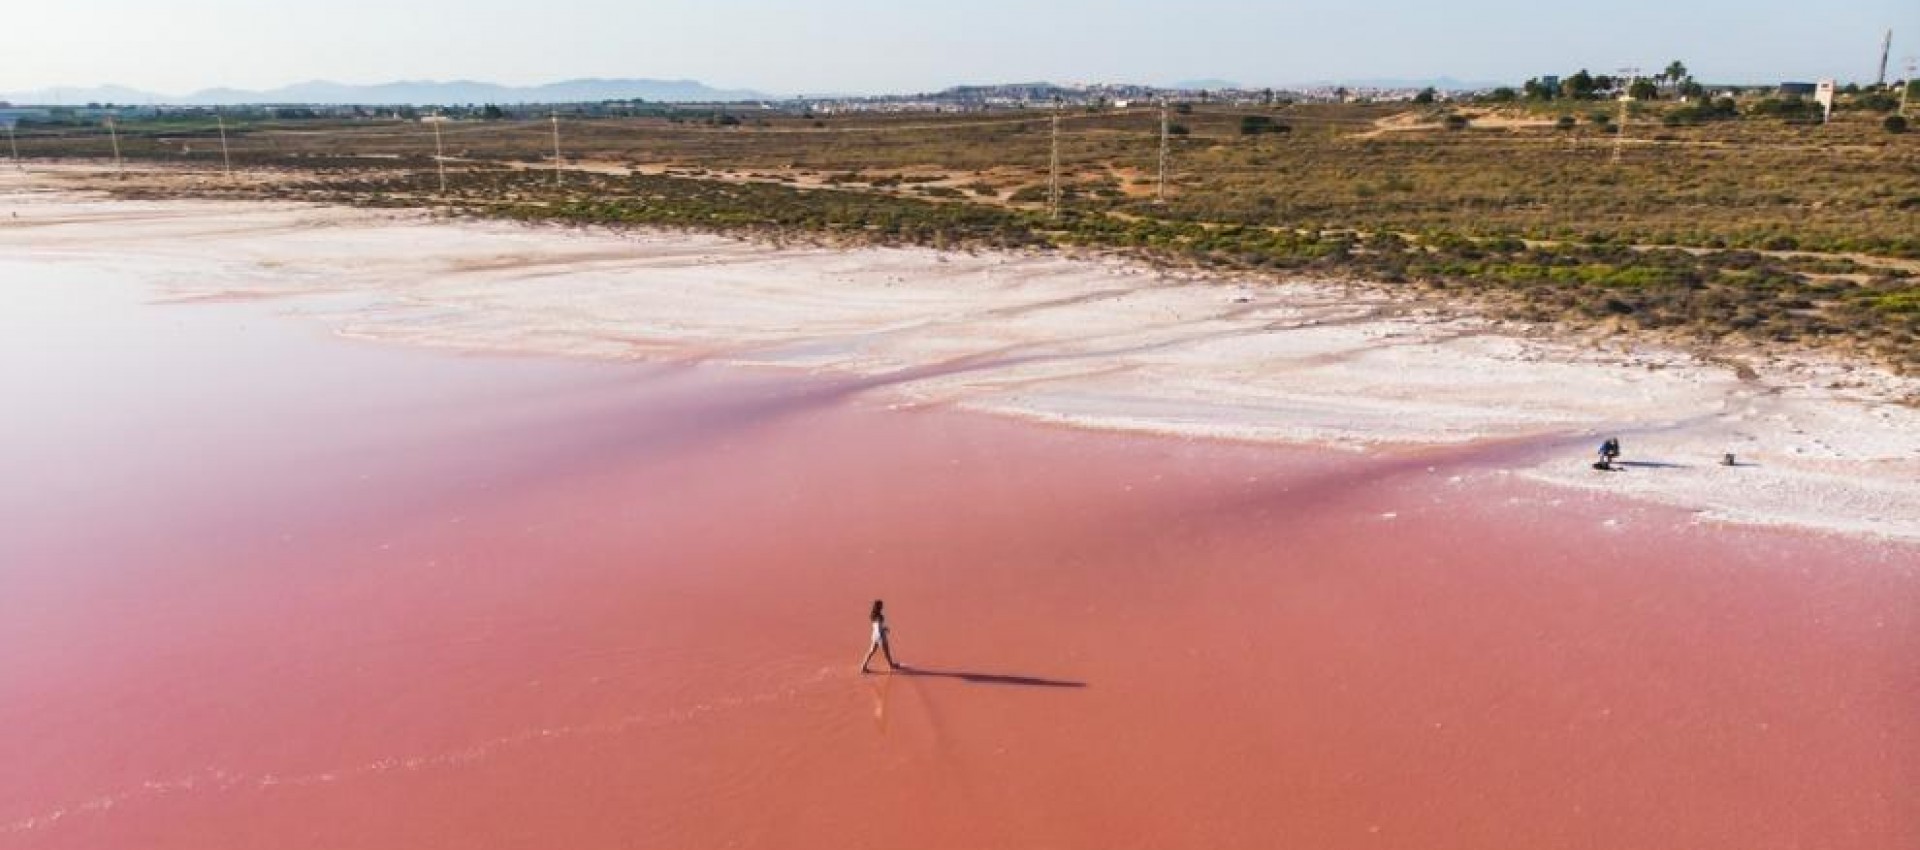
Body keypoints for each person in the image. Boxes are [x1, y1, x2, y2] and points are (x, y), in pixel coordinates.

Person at [860, 599, 903, 674]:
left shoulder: (872, 615)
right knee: (887, 652)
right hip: (880, 636)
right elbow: (879, 628)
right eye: (881, 605)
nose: (883, 606)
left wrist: (884, 628)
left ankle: (863, 666)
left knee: (871, 651)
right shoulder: (880, 616)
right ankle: (891, 665)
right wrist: (884, 631)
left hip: (874, 636)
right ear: (879, 607)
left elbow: (876, 627)